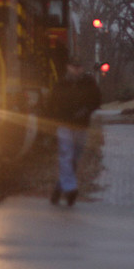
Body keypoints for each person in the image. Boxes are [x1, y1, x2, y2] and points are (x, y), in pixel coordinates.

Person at [48, 58, 101, 206]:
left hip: (81, 125)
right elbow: (52, 103)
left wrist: (86, 110)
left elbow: (96, 100)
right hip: (65, 125)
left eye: (79, 66)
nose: (76, 69)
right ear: (68, 67)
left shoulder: (88, 83)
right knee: (66, 155)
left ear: (82, 68)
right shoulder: (61, 84)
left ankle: (59, 189)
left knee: (73, 159)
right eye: (73, 66)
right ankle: (71, 189)